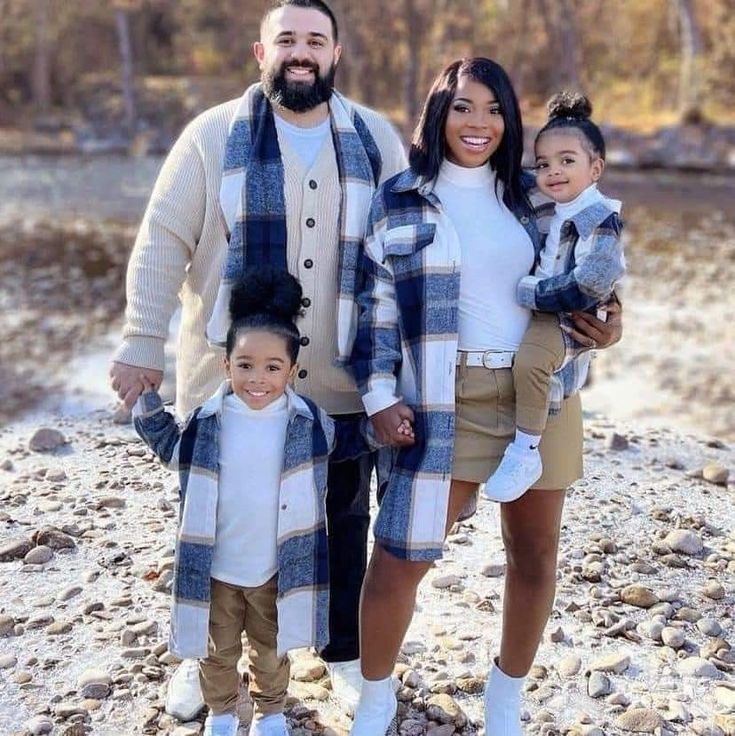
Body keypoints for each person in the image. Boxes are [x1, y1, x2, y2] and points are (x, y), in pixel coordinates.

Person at [109, 0, 407, 718]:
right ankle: (200, 660)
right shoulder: (212, 136)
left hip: (338, 381)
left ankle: (338, 653)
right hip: (225, 382)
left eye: (314, 41)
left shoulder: (376, 138)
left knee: (339, 522)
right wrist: (140, 344)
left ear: (335, 53)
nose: (299, 53)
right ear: (259, 52)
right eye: (286, 41)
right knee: (212, 526)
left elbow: (416, 243)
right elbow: (160, 244)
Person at [349, 58, 622, 736]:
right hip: (446, 396)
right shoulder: (401, 198)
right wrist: (380, 394)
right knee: (398, 557)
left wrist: (612, 324)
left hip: (542, 395)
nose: (479, 124)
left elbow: (597, 265)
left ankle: (504, 701)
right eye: (464, 107)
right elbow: (374, 306)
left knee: (534, 554)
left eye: (494, 109)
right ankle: (376, 696)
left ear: (510, 119)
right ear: (437, 112)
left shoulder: (536, 194)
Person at [134, 268, 372, 736]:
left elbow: (347, 444)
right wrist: (145, 404)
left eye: (271, 367)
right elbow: (170, 448)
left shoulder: (307, 423)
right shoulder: (209, 421)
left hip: (274, 569)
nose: (257, 378)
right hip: (217, 567)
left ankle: (271, 712)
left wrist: (383, 428)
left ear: (290, 369)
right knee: (215, 650)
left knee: (271, 648)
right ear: (226, 366)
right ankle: (222, 714)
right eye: (244, 365)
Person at [484, 91, 625, 502]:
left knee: (531, 361)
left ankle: (526, 450)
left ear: (596, 168)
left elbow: (593, 281)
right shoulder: (555, 203)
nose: (553, 172)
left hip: (564, 312)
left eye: (567, 161)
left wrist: (531, 292)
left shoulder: (598, 216)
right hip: (551, 310)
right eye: (543, 163)